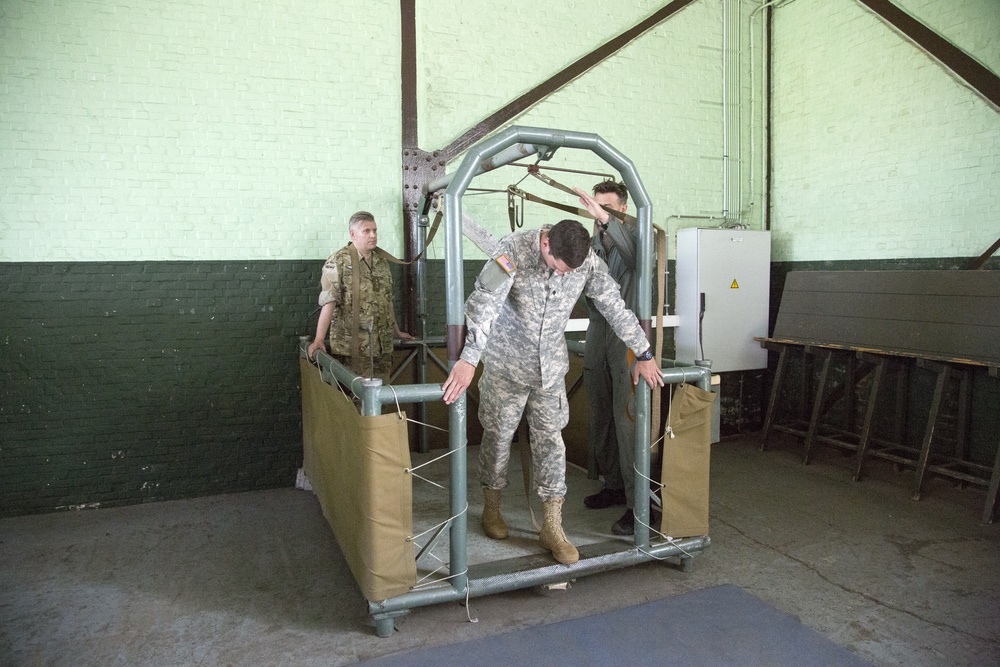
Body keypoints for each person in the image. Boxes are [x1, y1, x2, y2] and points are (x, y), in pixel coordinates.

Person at [442, 219, 663, 565]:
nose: (562, 276)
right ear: (546, 245)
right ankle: (492, 507)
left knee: (551, 445)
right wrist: (469, 358)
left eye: (569, 272)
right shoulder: (513, 250)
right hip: (506, 368)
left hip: (550, 373)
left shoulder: (585, 261)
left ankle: (552, 525)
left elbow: (614, 306)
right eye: (559, 268)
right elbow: (484, 306)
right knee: (498, 439)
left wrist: (644, 352)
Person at [574, 180, 647, 535]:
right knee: (601, 415)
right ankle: (614, 485)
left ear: (623, 210)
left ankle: (639, 505)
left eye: (607, 207)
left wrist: (605, 219)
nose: (597, 213)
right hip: (597, 334)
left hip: (626, 339)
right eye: (595, 206)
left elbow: (634, 255)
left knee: (627, 420)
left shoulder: (635, 240)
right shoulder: (592, 247)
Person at [307, 211, 412, 380]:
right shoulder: (339, 261)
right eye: (366, 231)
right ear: (353, 234)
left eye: (375, 230)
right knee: (355, 394)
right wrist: (319, 339)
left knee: (383, 392)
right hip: (353, 348)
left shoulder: (381, 262)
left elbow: (387, 301)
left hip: (382, 347)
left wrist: (397, 331)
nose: (373, 235)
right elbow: (329, 301)